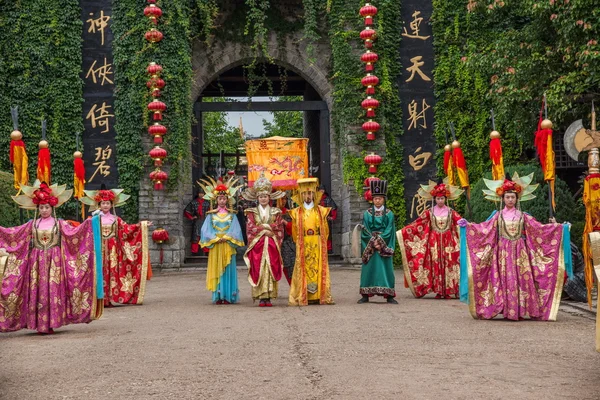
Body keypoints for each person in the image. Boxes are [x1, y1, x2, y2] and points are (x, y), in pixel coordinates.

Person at [458, 172, 572, 321]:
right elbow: (484, 229)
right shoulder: (497, 216)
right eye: (507, 197)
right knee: (504, 278)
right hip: (502, 252)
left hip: (520, 252)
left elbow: (540, 229)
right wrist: (468, 227)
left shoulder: (523, 216)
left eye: (513, 197)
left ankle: (519, 310)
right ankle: (506, 309)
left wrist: (560, 228)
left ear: (517, 198)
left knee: (521, 279)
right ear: (503, 198)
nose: (510, 199)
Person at [1, 181, 103, 334]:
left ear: (52, 207)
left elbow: (75, 233)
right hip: (36, 262)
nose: (44, 210)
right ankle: (38, 323)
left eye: (47, 207)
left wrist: (91, 222)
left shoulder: (59, 224)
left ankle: (52, 322)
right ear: (38, 208)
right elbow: (14, 234)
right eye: (41, 207)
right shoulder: (32, 225)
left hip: (55, 262)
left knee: (53, 289)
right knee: (37, 289)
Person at [80, 186, 152, 307]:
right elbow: (84, 231)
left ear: (112, 204)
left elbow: (127, 229)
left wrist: (142, 226)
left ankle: (109, 298)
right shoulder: (93, 219)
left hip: (113, 250)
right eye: (103, 203)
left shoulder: (115, 219)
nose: (105, 205)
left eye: (108, 203)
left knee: (112, 272)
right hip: (98, 249)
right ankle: (99, 298)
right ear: (99, 204)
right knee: (99, 271)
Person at [397, 179, 464, 299]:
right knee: (435, 264)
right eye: (438, 199)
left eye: (442, 198)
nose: (440, 201)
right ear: (434, 199)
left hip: (449, 243)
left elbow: (460, 222)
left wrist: (467, 224)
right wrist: (403, 232)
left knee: (449, 264)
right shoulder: (429, 212)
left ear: (446, 199)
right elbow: (417, 224)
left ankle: (449, 290)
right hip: (434, 243)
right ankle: (438, 290)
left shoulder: (451, 212)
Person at [288, 177, 334, 306]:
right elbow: (294, 232)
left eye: (310, 193)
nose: (308, 196)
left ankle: (319, 295)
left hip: (317, 243)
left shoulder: (321, 211)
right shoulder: (296, 212)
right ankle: (304, 295)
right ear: (300, 195)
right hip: (304, 243)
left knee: (318, 267)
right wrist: (300, 242)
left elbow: (325, 230)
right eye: (305, 194)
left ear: (314, 194)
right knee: (303, 268)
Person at [199, 176, 245, 304]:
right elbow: (205, 230)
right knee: (217, 268)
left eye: (224, 198)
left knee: (228, 268)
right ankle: (219, 295)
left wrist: (226, 237)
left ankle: (229, 295)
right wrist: (214, 238)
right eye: (220, 198)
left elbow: (236, 230)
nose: (222, 201)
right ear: (216, 199)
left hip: (227, 245)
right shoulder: (211, 215)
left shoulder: (232, 215)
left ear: (228, 199)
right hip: (216, 245)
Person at [242, 174, 285, 307]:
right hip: (258, 245)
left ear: (269, 197)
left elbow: (279, 228)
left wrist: (267, 230)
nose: (263, 199)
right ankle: (261, 296)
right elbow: (250, 228)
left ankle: (269, 296)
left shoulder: (275, 212)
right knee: (258, 268)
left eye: (265, 196)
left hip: (271, 243)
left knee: (270, 267)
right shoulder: (251, 212)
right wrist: (265, 230)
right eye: (261, 196)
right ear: (257, 198)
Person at [357, 179, 397, 304]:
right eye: (375, 199)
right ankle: (365, 295)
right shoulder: (367, 214)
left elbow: (390, 230)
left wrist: (379, 241)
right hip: (370, 244)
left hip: (382, 245)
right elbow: (366, 230)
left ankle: (389, 295)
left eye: (380, 198)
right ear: (372, 199)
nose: (377, 201)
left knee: (386, 269)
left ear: (384, 199)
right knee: (369, 269)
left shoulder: (389, 214)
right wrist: (372, 241)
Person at [184, 190, 210, 254]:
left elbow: (211, 212)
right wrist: (191, 217)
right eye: (200, 193)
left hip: (205, 221)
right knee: (195, 237)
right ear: (198, 194)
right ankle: (194, 252)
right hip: (196, 221)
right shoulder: (193, 202)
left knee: (205, 236)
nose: (201, 195)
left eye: (202, 193)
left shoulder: (208, 203)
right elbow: (186, 211)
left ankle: (206, 251)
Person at [278, 193, 296, 284]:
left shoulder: (289, 213)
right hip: (274, 243)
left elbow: (294, 228)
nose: (283, 201)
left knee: (289, 265)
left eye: (285, 199)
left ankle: (293, 286)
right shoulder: (272, 213)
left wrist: (285, 222)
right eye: (281, 199)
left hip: (287, 243)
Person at [318, 185, 338, 253]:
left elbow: (333, 208)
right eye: (320, 189)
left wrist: (332, 217)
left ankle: (328, 249)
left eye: (322, 189)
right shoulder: (316, 200)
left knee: (327, 234)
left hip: (326, 220)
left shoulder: (328, 199)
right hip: (317, 220)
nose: (321, 191)